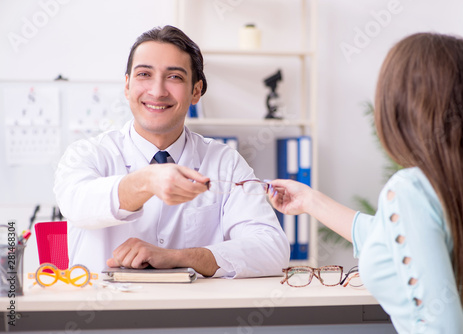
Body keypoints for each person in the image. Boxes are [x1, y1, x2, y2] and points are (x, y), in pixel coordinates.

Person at [268, 33, 463, 333]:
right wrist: (310, 201)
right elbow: (394, 236)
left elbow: (441, 324)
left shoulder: (409, 190)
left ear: (399, 106)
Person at [54, 25, 290, 278]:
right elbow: (75, 203)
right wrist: (146, 182)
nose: (157, 91)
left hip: (191, 315)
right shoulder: (88, 154)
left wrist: (177, 258)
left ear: (196, 91)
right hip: (102, 313)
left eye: (175, 77)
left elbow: (271, 249)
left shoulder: (225, 162)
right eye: (144, 74)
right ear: (127, 86)